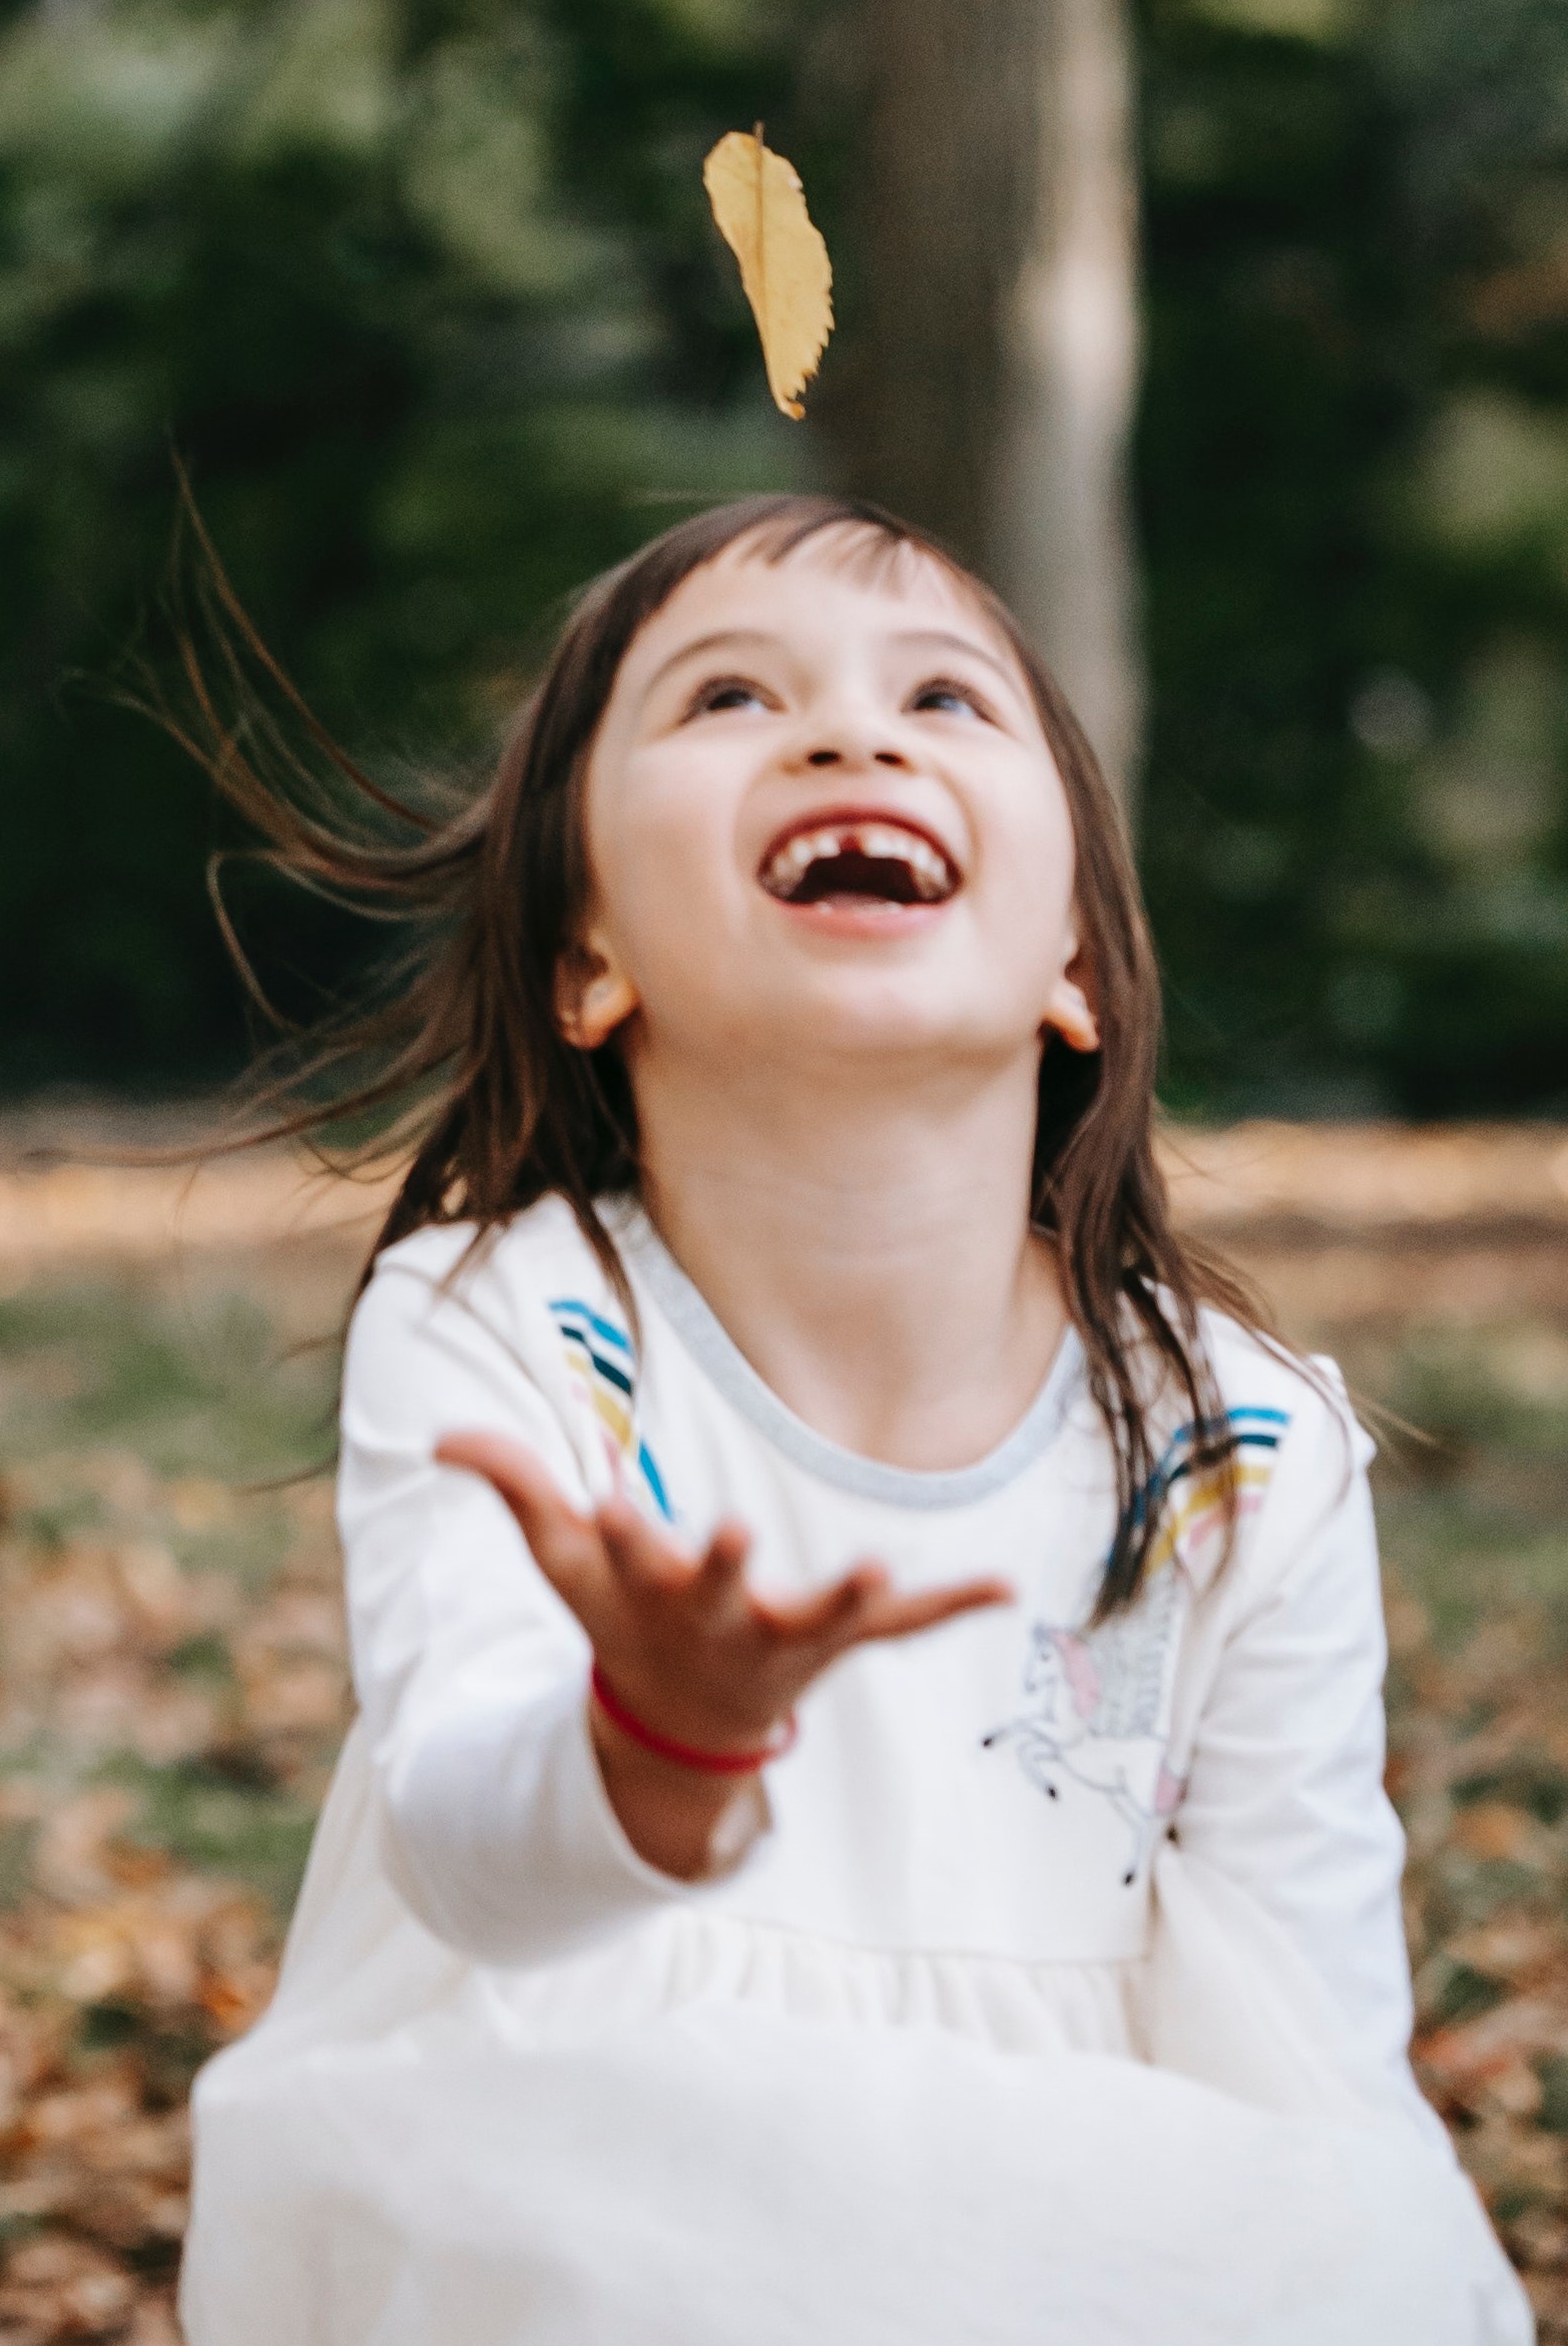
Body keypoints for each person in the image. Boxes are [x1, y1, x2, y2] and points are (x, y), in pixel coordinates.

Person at [172, 496, 1523, 2346]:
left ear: (1075, 969)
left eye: (947, 700)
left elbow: (1319, 2022)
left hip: (1106, 2231)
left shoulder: (1239, 1443)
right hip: (577, 2183)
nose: (848, 732)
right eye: (727, 694)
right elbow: (468, 1862)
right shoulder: (517, 1328)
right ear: (586, 958)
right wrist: (652, 1741)